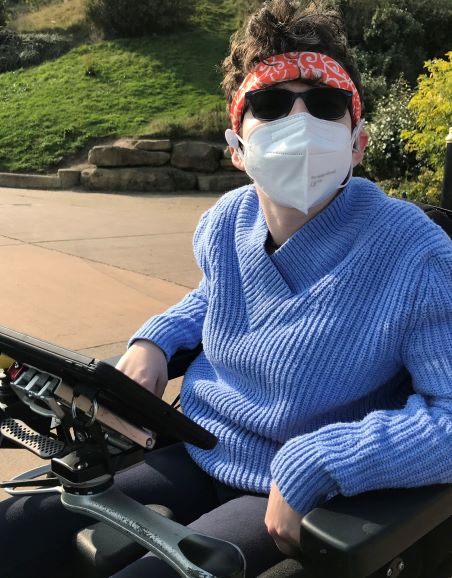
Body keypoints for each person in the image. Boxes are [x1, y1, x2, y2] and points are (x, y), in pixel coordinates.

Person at [1, 1, 451, 577]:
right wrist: (155, 342)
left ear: (358, 141)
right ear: (238, 148)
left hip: (286, 489)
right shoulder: (226, 222)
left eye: (324, 103)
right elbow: (215, 297)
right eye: (269, 105)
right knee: (18, 527)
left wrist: (323, 459)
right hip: (195, 445)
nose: (300, 122)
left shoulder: (416, 253)